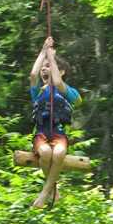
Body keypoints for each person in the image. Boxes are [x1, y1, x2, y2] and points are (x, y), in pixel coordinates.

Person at [29, 36, 81, 208]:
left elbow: (58, 82)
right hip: (42, 133)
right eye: (44, 67)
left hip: (58, 133)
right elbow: (32, 75)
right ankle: (52, 190)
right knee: (45, 153)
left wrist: (51, 57)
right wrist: (44, 51)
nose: (45, 69)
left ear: (62, 71)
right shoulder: (38, 92)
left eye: (49, 67)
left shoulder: (68, 92)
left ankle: (45, 192)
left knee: (58, 153)